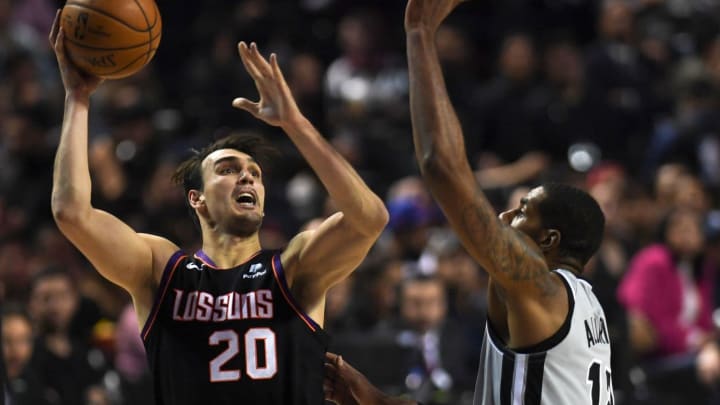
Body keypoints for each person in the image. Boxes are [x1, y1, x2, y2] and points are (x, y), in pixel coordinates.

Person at [48, 8, 388, 405]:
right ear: (198, 199)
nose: (247, 178)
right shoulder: (162, 269)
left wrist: (296, 124)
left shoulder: (294, 267)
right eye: (228, 169)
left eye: (255, 174)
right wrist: (77, 97)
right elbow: (71, 213)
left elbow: (370, 219)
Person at [326, 1, 612, 404]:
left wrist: (420, 35)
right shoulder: (586, 309)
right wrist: (376, 399)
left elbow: (441, 166)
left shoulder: (540, 289)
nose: (505, 215)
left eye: (523, 211)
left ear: (548, 241)